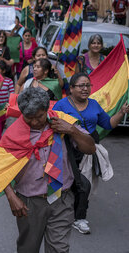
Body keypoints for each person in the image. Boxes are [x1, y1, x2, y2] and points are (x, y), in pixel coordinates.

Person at [0, 87, 95, 253]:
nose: (37, 122)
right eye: (30, 118)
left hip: (62, 197)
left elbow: (90, 148)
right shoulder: (14, 134)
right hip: (29, 200)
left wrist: (73, 131)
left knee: (60, 249)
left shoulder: (63, 122)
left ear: (46, 109)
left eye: (40, 116)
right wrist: (11, 197)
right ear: (22, 114)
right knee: (29, 246)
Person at [53, 72, 129, 234]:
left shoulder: (94, 105)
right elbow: (51, 126)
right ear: (71, 89)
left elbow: (108, 124)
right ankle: (64, 211)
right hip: (67, 147)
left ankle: (79, 217)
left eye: (88, 85)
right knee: (75, 182)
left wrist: (121, 112)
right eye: (81, 86)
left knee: (84, 184)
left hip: (88, 147)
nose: (85, 88)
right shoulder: (61, 105)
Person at [0, 60, 15, 148]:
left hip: (4, 108)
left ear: (3, 71)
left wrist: (9, 104)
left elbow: (12, 93)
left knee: (1, 126)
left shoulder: (8, 81)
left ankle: (0, 141)